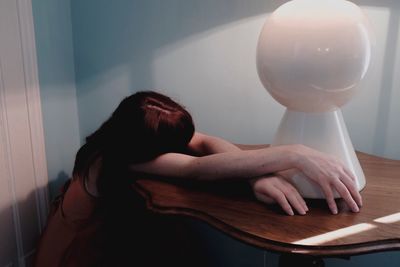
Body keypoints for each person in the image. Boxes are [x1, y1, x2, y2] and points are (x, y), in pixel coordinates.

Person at [33, 90, 362, 267]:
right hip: (73, 255)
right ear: (146, 148)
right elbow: (195, 168)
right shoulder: (111, 160)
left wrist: (255, 177)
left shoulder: (132, 132)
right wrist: (294, 154)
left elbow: (204, 143)